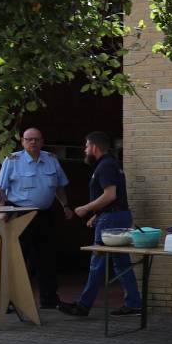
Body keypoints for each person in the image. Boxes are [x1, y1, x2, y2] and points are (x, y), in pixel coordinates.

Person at [59, 131, 141, 317]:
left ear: (94, 147)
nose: (85, 149)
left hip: (111, 220)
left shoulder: (105, 166)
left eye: (86, 146)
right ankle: (134, 303)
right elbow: (115, 199)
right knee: (121, 263)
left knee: (97, 262)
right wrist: (97, 215)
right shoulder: (111, 164)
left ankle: (83, 306)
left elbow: (110, 195)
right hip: (117, 216)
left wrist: (86, 208)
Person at [0, 127, 72, 310]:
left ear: (42, 141)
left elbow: (59, 187)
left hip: (44, 215)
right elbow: (0, 189)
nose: (33, 142)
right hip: (20, 214)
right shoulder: (12, 160)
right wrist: (2, 211)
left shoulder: (51, 159)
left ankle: (49, 299)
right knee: (17, 258)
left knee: (47, 258)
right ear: (22, 141)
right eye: (29, 139)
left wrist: (65, 205)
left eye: (36, 139)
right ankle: (10, 300)